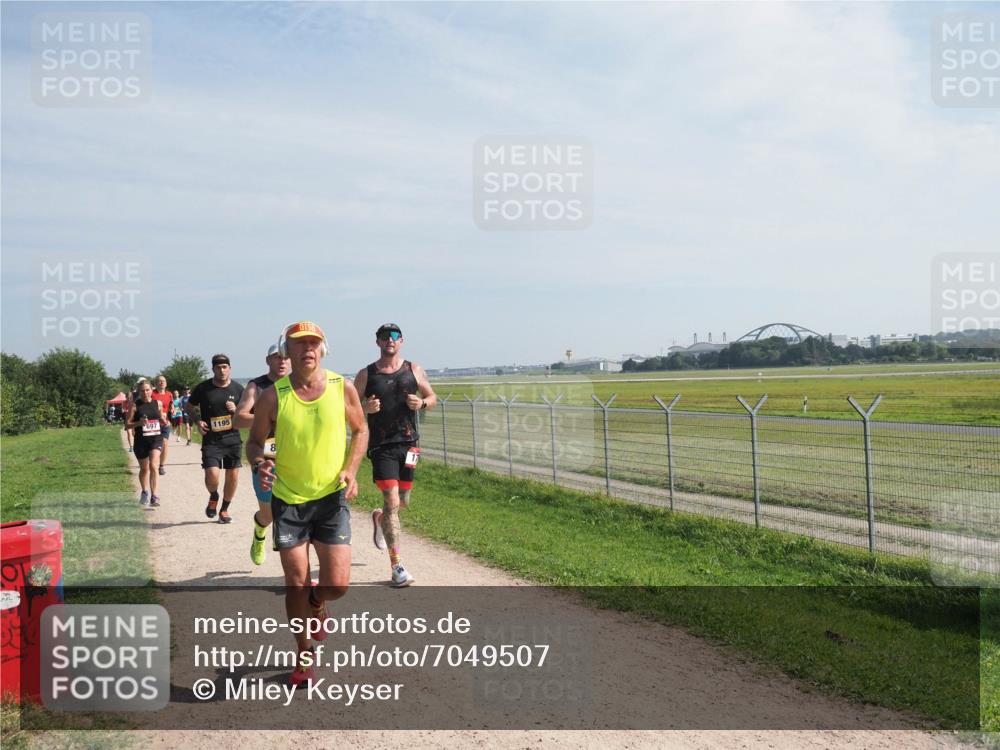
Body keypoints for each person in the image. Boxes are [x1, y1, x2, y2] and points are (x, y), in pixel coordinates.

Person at [247, 321, 367, 687]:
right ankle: (302, 654)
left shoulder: (341, 387)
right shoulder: (274, 395)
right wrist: (260, 462)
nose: (307, 349)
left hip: (331, 498)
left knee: (338, 586)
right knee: (295, 583)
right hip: (289, 500)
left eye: (313, 343)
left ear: (323, 349)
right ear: (288, 351)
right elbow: (254, 443)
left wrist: (351, 469)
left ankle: (319, 602)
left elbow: (361, 430)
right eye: (299, 344)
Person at [354, 323, 437, 588]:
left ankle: (380, 518)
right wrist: (365, 406)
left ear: (401, 341)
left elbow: (432, 396)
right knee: (391, 500)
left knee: (402, 503)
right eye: (384, 337)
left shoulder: (414, 369)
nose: (389, 340)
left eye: (394, 337)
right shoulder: (366, 374)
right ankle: (396, 566)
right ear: (377, 342)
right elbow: (350, 407)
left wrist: (422, 403)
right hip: (382, 447)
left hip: (410, 445)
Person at [236, 343, 290, 566]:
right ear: (268, 361)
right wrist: (269, 418)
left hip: (294, 458)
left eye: (285, 357)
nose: (282, 361)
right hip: (264, 458)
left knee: (293, 513)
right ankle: (260, 530)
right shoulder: (256, 386)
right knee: (268, 514)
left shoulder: (297, 385)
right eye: (276, 357)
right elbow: (238, 418)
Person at [186, 354, 245, 524]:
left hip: (233, 438)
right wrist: (198, 420)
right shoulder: (203, 388)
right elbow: (189, 406)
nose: (222, 370)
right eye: (218, 367)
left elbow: (249, 412)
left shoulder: (238, 389)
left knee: (232, 476)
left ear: (230, 368)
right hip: (211, 440)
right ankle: (214, 495)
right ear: (213, 369)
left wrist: (236, 409)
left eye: (225, 367)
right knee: (212, 475)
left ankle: (224, 509)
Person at [126, 379, 167, 507]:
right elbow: (127, 425)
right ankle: (144, 492)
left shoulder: (158, 403)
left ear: (152, 390)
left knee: (154, 466)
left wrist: (163, 421)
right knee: (144, 469)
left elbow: (162, 418)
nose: (145, 393)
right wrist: (139, 423)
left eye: (147, 390)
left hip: (156, 438)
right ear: (139, 391)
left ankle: (154, 496)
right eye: (142, 390)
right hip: (141, 441)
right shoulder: (135, 405)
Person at [151, 375, 174, 475]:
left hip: (165, 423)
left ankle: (161, 466)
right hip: (153, 423)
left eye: (163, 381)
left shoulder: (169, 394)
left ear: (166, 383)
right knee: (153, 444)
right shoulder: (152, 394)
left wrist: (172, 410)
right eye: (159, 381)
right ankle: (152, 463)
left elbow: (171, 405)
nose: (162, 382)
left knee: (164, 443)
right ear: (156, 383)